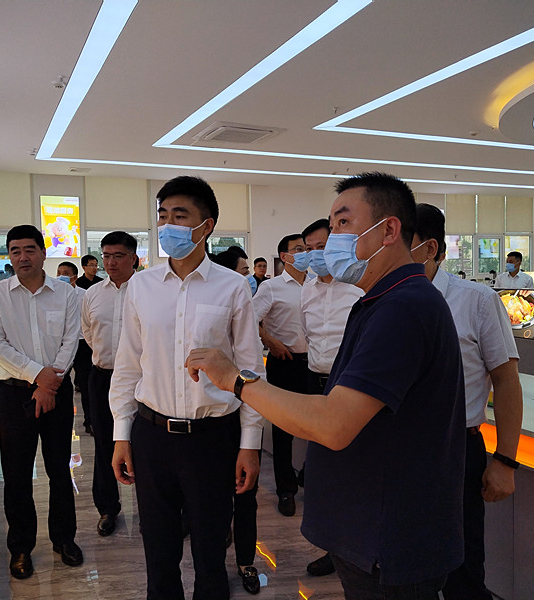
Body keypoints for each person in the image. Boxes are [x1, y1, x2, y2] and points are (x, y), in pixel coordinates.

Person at [187, 172, 466, 599]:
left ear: (389, 230)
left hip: (390, 540)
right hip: (370, 530)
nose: (332, 240)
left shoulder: (404, 307)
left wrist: (236, 380)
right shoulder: (381, 300)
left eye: (343, 224)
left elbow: (333, 424)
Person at [109, 175, 265, 600]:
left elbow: (251, 371)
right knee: (159, 553)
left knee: (210, 553)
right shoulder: (141, 286)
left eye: (180, 216)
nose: (168, 225)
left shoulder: (233, 287)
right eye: (162, 216)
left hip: (211, 438)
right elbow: (128, 365)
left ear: (206, 225)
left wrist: (250, 444)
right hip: (152, 435)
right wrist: (121, 435)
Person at [411, 204, 523, 600]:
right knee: (407, 566)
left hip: (456, 450)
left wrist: (505, 461)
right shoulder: (383, 300)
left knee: (462, 568)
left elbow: (506, 381)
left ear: (429, 248)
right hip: (399, 450)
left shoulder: (476, 300)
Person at [0, 224, 83, 580]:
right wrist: (38, 376)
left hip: (57, 389)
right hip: (14, 393)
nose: (22, 257)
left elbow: (71, 339)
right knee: (17, 473)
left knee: (59, 469)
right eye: (15, 251)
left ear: (43, 253)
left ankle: (64, 539)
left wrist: (50, 383)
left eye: (29, 249)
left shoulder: (66, 293)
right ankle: (21, 547)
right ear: (9, 256)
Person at [298, 217, 363, 578]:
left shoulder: (358, 287)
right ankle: (333, 547)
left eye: (321, 247)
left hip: (349, 387)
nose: (315, 255)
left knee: (352, 469)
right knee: (324, 471)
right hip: (315, 381)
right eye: (309, 249)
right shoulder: (307, 289)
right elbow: (309, 336)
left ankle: (353, 549)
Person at [212, 247, 263, 595]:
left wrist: (252, 440)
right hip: (212, 422)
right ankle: (214, 563)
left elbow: (252, 370)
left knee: (245, 495)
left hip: (240, 414)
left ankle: (246, 561)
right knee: (214, 501)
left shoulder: (241, 302)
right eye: (244, 270)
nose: (248, 276)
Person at [81, 231, 139, 537]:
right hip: (103, 376)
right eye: (106, 256)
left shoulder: (146, 290)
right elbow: (88, 332)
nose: (110, 262)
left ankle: (154, 508)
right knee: (104, 442)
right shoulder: (92, 294)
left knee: (145, 444)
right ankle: (107, 508)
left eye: (118, 256)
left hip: (141, 379)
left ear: (133, 258)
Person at [251, 233, 309, 517]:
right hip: (284, 362)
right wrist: (270, 341)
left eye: (307, 248)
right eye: (299, 249)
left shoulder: (317, 284)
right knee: (283, 431)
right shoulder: (271, 287)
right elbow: (249, 320)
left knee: (317, 426)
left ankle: (308, 475)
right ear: (284, 257)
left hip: (315, 364)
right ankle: (286, 490)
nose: (306, 253)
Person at [56, 261, 93, 435]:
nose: (60, 276)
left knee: (86, 384)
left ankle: (90, 421)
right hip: (60, 344)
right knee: (60, 382)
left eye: (65, 273)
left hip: (82, 343)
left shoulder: (84, 295)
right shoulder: (53, 295)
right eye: (58, 273)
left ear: (74, 277)